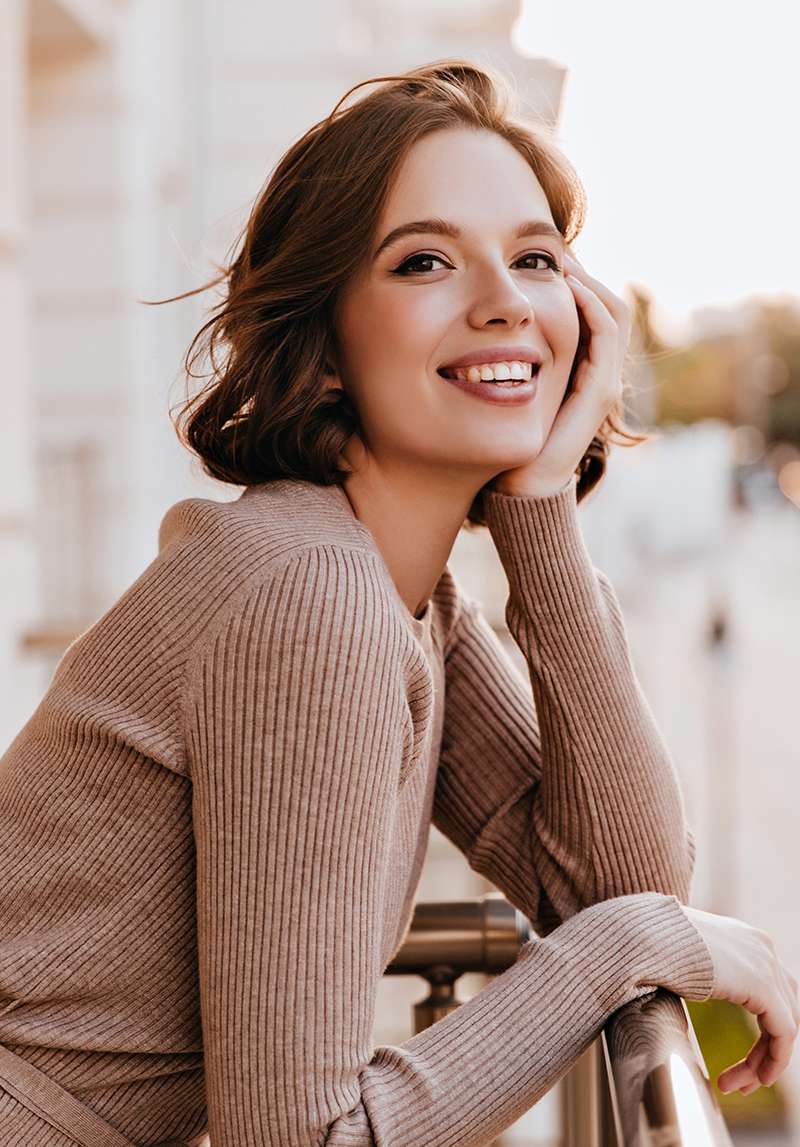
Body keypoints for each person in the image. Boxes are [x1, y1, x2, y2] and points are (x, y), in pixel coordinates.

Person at [0, 58, 796, 1147]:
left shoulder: (397, 594)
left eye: (533, 259)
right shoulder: (308, 592)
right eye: (424, 260)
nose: (504, 301)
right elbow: (305, 1137)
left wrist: (542, 511)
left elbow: (614, 875)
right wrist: (631, 945)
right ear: (325, 348)